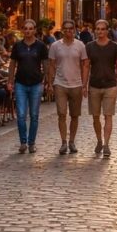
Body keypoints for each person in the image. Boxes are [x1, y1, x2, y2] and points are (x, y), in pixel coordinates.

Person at [84, 19, 117, 158]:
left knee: (108, 115)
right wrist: (84, 84)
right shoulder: (89, 46)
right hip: (94, 85)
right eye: (98, 29)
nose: (100, 31)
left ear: (107, 31)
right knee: (95, 117)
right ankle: (99, 140)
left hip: (110, 85)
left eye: (102, 29)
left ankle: (106, 144)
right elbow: (86, 66)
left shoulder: (114, 47)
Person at [47, 20, 88, 155]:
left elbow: (84, 65)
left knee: (75, 115)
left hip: (76, 84)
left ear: (75, 30)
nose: (68, 31)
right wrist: (50, 82)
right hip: (60, 84)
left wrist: (84, 84)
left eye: (71, 29)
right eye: (66, 29)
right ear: (62, 30)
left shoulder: (80, 45)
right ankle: (64, 142)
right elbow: (51, 65)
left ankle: (72, 141)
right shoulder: (55, 46)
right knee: (61, 113)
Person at [8, 19, 48, 154]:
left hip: (36, 83)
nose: (28, 31)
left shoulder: (41, 46)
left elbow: (46, 64)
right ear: (22, 30)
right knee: (20, 115)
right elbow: (12, 64)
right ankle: (23, 142)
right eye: (25, 28)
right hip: (20, 83)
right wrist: (10, 81)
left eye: (30, 28)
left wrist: (47, 80)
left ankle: (32, 143)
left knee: (34, 115)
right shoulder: (18, 46)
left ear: (35, 30)